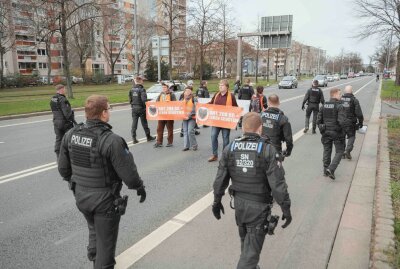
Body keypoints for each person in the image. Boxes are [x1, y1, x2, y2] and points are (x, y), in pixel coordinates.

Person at [57, 95, 146, 269]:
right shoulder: (112, 140)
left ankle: (94, 256)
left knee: (93, 228)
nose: (109, 112)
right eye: (109, 109)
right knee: (106, 244)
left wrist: (76, 183)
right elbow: (129, 175)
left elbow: (63, 169)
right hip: (104, 201)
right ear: (104, 113)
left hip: (81, 196)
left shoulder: (71, 134)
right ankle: (101, 263)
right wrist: (139, 186)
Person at [212, 112, 292, 269]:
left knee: (246, 245)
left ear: (242, 128)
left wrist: (216, 200)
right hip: (258, 208)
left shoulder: (230, 147)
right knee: (250, 255)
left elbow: (220, 178)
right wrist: (286, 208)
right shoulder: (267, 149)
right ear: (260, 128)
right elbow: (278, 185)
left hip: (240, 206)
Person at [316, 88, 346, 179]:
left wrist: (322, 130)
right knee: (340, 151)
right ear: (335, 95)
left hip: (325, 132)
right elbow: (342, 122)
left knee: (327, 150)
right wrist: (343, 131)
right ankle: (331, 169)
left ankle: (325, 170)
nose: (341, 96)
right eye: (339, 94)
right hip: (337, 133)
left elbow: (318, 121)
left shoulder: (324, 106)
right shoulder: (340, 106)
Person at [208, 79, 238, 162]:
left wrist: (236, 118)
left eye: (222, 85)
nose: (220, 87)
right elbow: (211, 103)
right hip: (216, 121)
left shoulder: (231, 96)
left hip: (226, 122)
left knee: (225, 139)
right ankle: (214, 155)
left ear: (227, 87)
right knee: (213, 136)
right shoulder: (216, 94)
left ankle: (225, 157)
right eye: (219, 85)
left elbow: (235, 107)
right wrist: (202, 106)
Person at [261, 94, 293, 158]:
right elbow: (288, 139)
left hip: (261, 149)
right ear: (279, 102)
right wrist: (288, 151)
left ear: (268, 103)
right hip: (275, 150)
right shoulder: (283, 118)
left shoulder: (261, 116)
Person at [50, 84, 76, 158]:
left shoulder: (53, 99)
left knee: (59, 138)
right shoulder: (63, 99)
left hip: (56, 122)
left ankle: (58, 153)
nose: (65, 91)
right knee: (69, 138)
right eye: (64, 89)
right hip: (64, 123)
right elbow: (67, 114)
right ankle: (69, 154)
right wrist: (72, 118)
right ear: (61, 89)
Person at [129, 76, 156, 144]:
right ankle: (148, 137)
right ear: (140, 81)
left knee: (134, 124)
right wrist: (145, 107)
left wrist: (133, 106)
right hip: (141, 108)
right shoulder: (142, 89)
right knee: (144, 124)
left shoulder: (131, 89)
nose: (143, 81)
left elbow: (130, 99)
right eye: (142, 80)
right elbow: (144, 100)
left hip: (134, 108)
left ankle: (134, 138)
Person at [340, 85, 364, 160]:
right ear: (352, 91)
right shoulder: (354, 100)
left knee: (342, 137)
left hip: (341, 122)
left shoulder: (340, 99)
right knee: (351, 137)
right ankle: (347, 150)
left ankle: (342, 153)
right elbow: (359, 113)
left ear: (344, 91)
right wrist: (360, 122)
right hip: (350, 122)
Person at [154, 83, 176, 148]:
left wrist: (169, 103)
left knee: (169, 129)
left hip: (169, 115)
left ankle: (170, 142)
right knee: (159, 129)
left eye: (165, 87)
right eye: (163, 87)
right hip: (161, 115)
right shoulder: (160, 94)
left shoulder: (172, 94)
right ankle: (159, 142)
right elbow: (157, 102)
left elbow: (175, 103)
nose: (163, 89)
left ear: (168, 88)